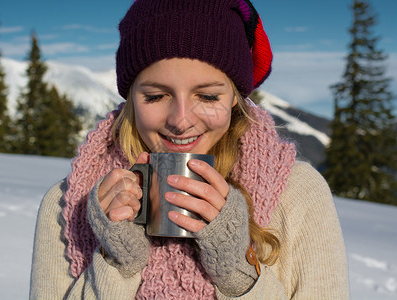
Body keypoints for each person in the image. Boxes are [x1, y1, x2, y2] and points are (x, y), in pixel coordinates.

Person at [29, 0, 350, 299]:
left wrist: (237, 270)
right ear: (130, 99)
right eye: (155, 96)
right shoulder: (68, 205)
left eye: (208, 97)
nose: (180, 121)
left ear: (235, 99)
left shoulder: (296, 194)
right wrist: (116, 263)